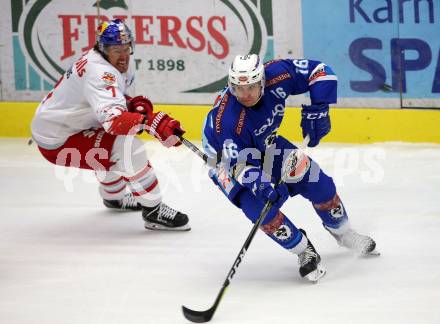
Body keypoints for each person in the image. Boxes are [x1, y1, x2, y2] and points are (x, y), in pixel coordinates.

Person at [202, 54, 378, 282]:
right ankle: (303, 250)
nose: (244, 95)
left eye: (251, 87)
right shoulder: (227, 119)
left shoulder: (278, 73)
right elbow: (238, 165)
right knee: (260, 210)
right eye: (237, 88)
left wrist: (321, 107)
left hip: (266, 143)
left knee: (319, 184)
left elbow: (321, 70)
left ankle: (344, 233)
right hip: (224, 160)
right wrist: (260, 184)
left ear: (263, 81)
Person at [31, 19, 190, 231]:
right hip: (58, 141)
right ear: (103, 48)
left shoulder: (105, 62)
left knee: (112, 147)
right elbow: (114, 122)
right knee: (129, 149)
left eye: (126, 48)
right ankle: (153, 211)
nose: (123, 55)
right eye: (116, 49)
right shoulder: (99, 72)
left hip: (66, 126)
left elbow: (110, 100)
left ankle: (113, 197)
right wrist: (150, 123)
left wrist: (131, 104)